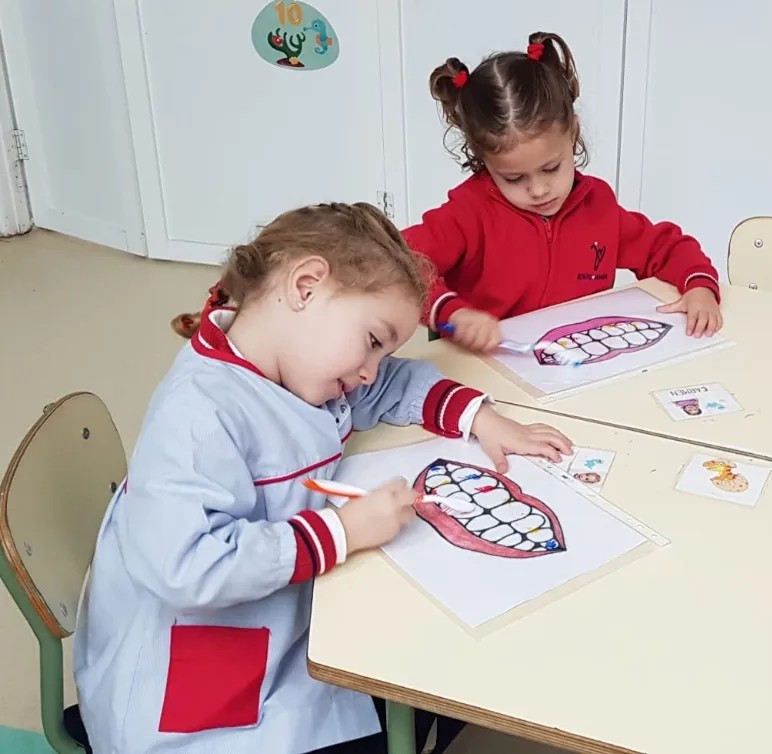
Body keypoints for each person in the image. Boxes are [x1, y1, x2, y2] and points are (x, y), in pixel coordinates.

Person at [72, 203, 573, 753]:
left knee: (436, 685)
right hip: (186, 701)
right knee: (434, 690)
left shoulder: (290, 361)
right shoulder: (196, 415)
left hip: (266, 631)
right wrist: (343, 532)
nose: (368, 371)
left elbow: (383, 387)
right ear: (306, 286)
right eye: (374, 341)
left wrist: (481, 417)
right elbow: (186, 567)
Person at [404, 31, 724, 353]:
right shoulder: (469, 213)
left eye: (551, 168)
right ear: (484, 160)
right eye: (514, 178)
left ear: (572, 132)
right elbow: (398, 263)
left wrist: (698, 285)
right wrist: (450, 314)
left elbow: (664, 247)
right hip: (481, 370)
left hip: (573, 364)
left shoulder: (597, 206)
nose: (539, 190)